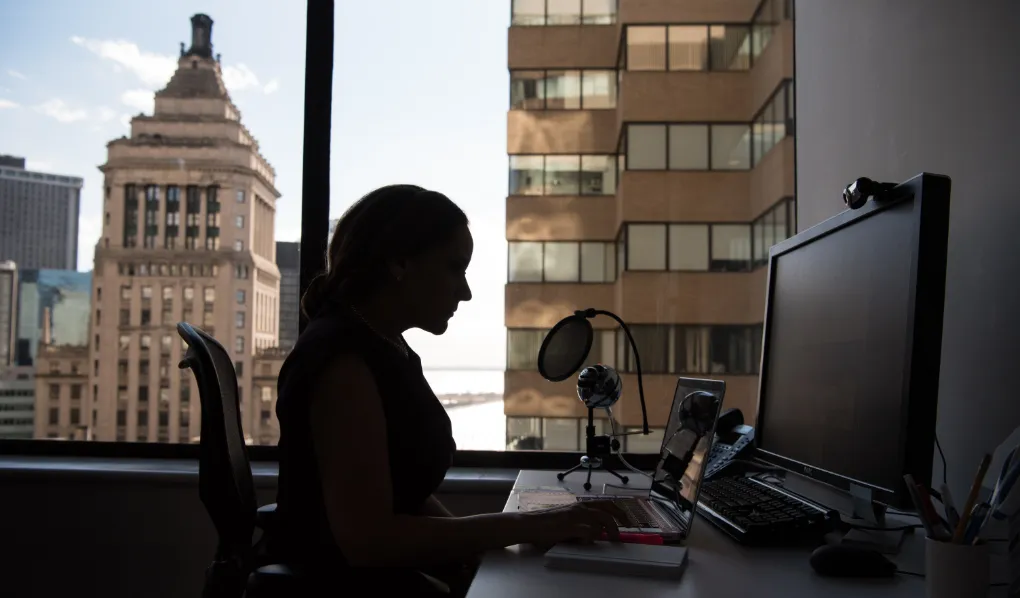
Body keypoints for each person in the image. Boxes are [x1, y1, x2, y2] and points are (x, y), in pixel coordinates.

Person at [271, 184, 622, 596]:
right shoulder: (341, 362)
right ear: (399, 262)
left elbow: (406, 496)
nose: (466, 291)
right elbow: (369, 540)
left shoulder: (387, 348)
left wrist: (479, 563)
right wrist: (525, 527)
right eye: (455, 268)